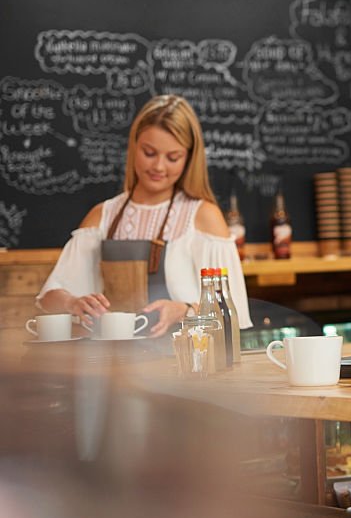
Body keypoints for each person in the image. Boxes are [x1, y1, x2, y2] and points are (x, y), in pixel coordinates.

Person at [37, 94, 252, 337]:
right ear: (134, 146)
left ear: (189, 158)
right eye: (149, 153)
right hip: (113, 366)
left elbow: (232, 313)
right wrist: (72, 303)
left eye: (173, 157)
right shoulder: (103, 216)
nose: (159, 167)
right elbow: (49, 297)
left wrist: (185, 311)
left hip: (184, 368)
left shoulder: (204, 217)